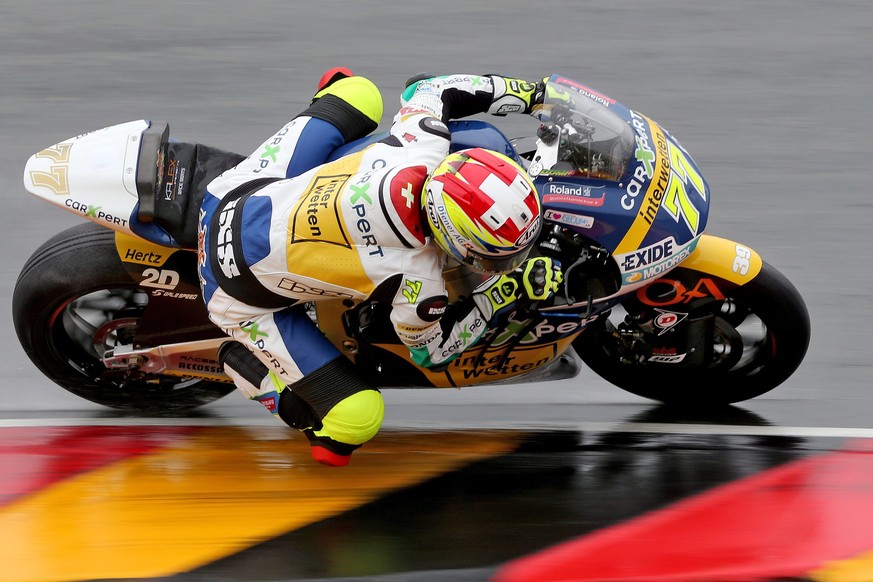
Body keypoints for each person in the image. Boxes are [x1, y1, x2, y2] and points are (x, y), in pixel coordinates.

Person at [198, 68, 563, 466]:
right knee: (353, 423)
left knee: (359, 91)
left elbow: (429, 87)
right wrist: (501, 293)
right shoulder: (417, 280)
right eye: (497, 257)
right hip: (234, 294)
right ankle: (248, 366)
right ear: (451, 237)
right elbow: (432, 352)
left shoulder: (421, 146)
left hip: (234, 192)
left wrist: (535, 94)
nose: (506, 264)